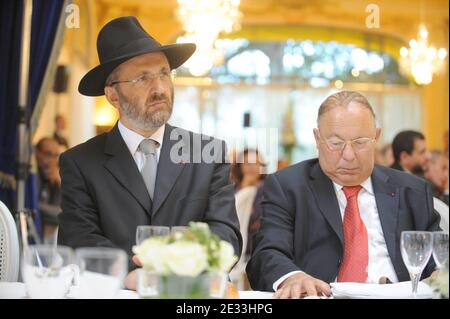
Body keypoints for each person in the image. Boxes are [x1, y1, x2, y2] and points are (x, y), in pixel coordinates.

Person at [57, 16, 242, 288]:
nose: (159, 89)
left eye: (164, 73)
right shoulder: (80, 162)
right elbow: (79, 237)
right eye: (143, 78)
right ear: (113, 95)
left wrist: (184, 268)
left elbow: (226, 233)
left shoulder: (208, 152)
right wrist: (132, 275)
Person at [246, 91, 440, 298]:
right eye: (336, 143)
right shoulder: (288, 187)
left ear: (376, 137)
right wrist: (292, 277)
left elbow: (438, 252)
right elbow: (266, 253)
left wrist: (441, 272)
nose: (348, 156)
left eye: (360, 142)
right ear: (317, 138)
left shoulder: (412, 190)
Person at [230, 149, 265, 289]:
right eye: (247, 163)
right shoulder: (231, 190)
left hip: (256, 250)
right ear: (240, 166)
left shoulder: (269, 189)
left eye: (256, 163)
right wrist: (246, 187)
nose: (252, 167)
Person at [35, 137, 62, 241]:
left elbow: (62, 212)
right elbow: (33, 207)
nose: (52, 160)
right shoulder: (32, 175)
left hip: (47, 238)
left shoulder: (55, 175)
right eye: (48, 154)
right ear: (37, 153)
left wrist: (59, 184)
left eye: (55, 156)